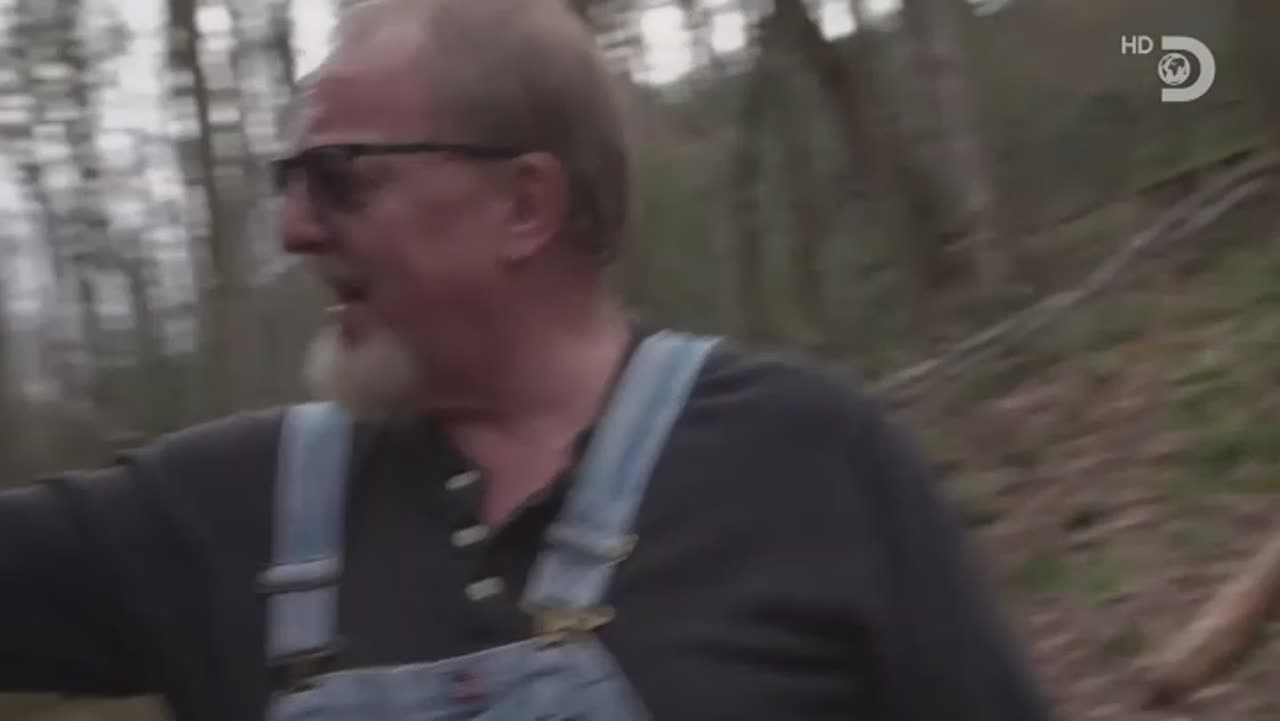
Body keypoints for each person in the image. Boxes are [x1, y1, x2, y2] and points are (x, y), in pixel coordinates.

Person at [0, 1, 1056, 720]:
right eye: (291, 182)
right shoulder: (218, 514)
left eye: (339, 178)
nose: (294, 229)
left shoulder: (809, 459)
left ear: (523, 204)